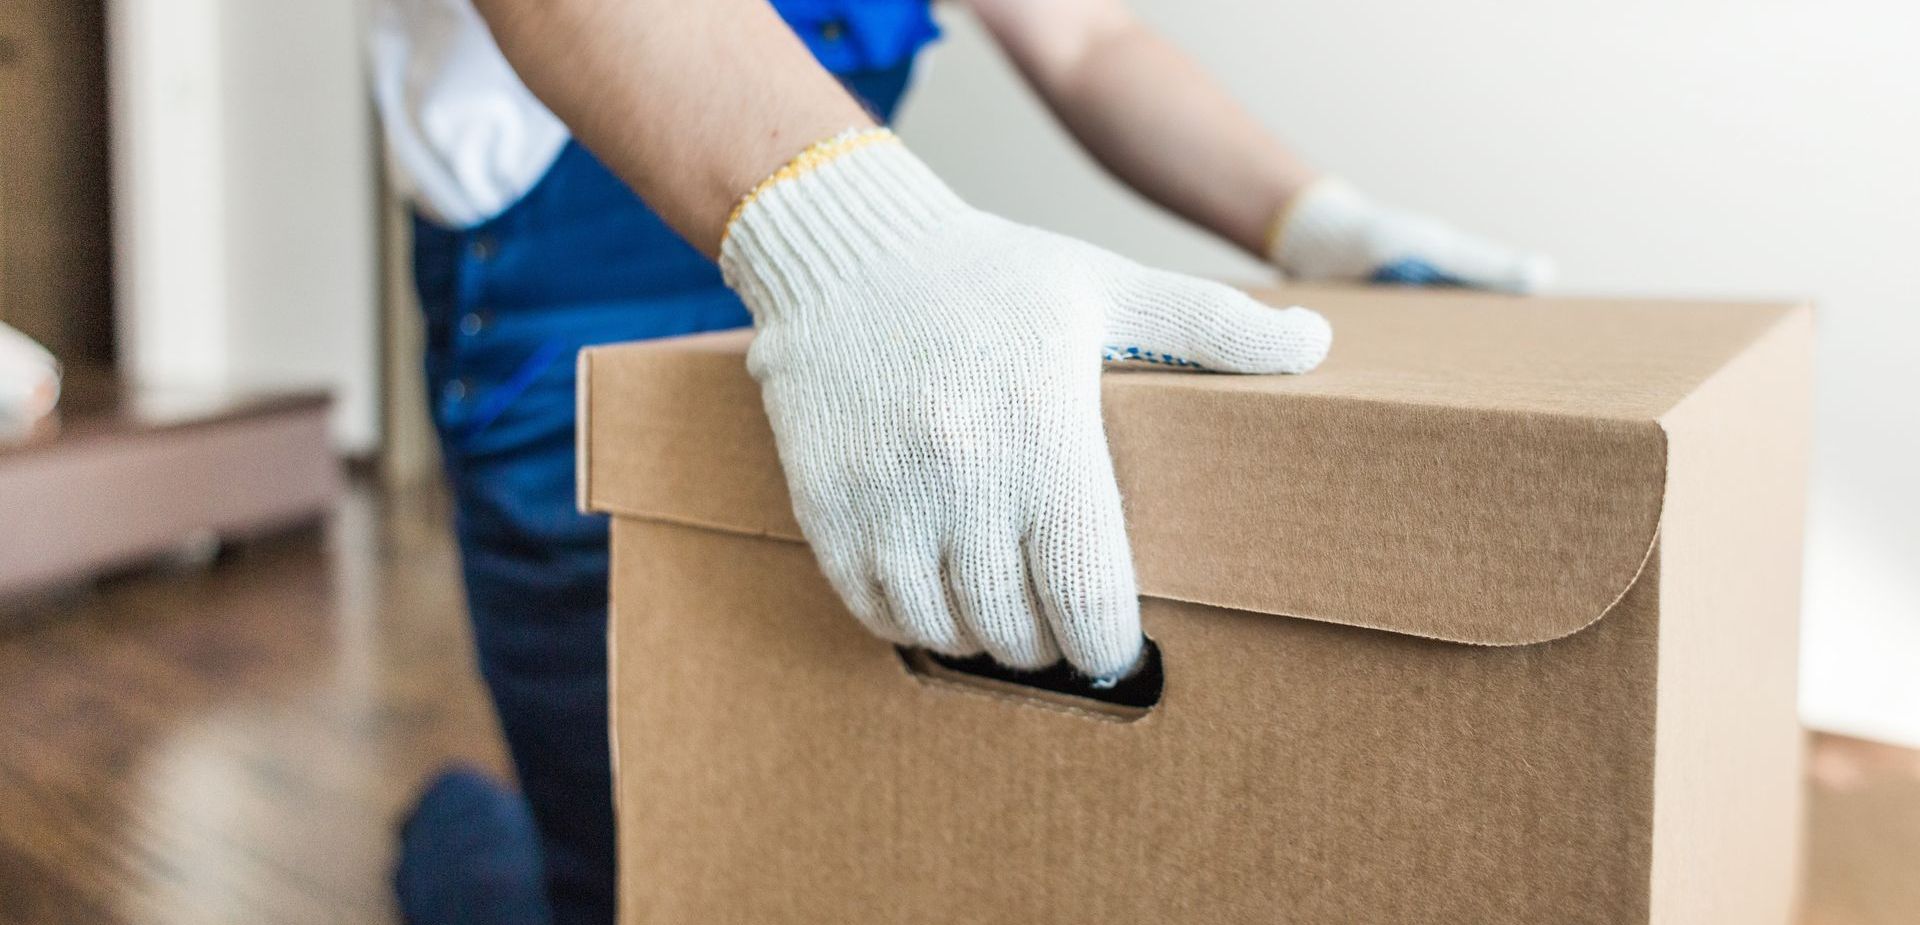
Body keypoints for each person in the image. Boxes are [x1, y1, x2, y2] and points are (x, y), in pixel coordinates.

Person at [371, 1, 1547, 922]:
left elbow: (1082, 34)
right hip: (581, 317)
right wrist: (843, 244)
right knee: (635, 870)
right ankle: (462, 839)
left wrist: (1310, 219)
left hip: (842, 325)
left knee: (827, 820)